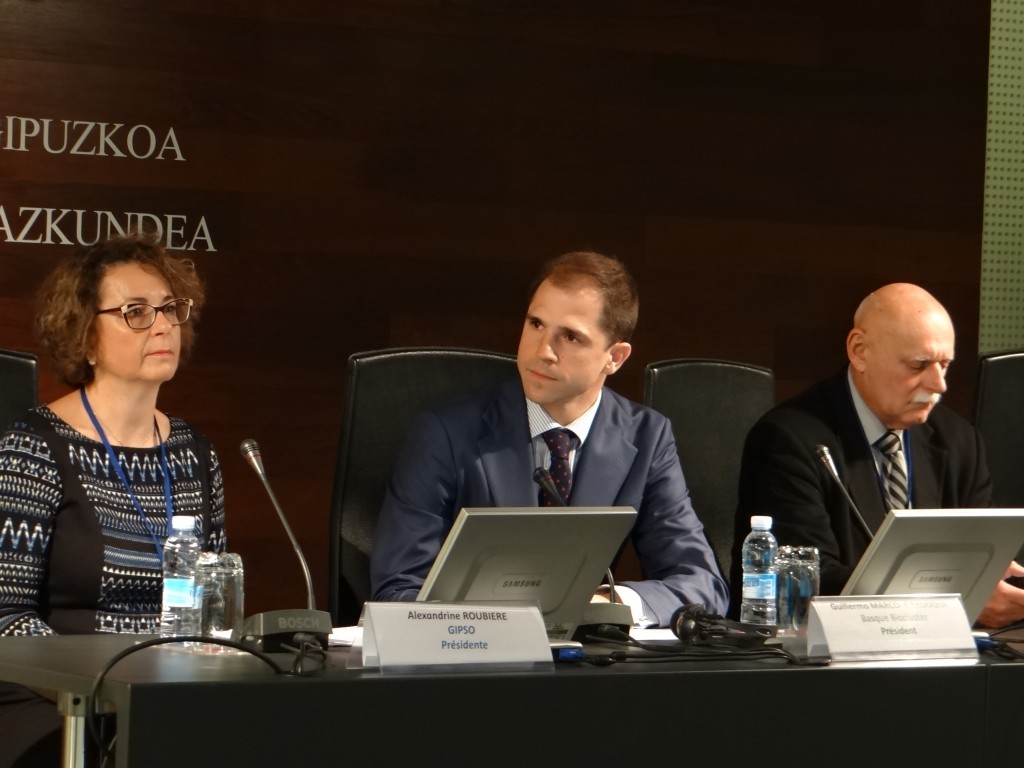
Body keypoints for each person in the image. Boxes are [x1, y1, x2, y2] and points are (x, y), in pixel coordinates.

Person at [370, 250, 728, 627]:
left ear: (616, 357)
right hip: (471, 662)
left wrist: (604, 602)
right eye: (536, 324)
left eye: (570, 337)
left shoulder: (647, 437)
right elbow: (398, 588)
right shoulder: (445, 431)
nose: (543, 352)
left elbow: (702, 586)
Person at [0, 232, 226, 765]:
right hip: (52, 699)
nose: (165, 324)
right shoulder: (35, 448)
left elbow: (213, 605)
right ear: (84, 336)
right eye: (136, 312)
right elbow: (6, 615)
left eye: (170, 308)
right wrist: (104, 689)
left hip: (167, 695)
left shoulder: (194, 453)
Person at [729, 282, 1024, 627]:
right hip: (823, 662)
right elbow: (806, 576)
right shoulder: (789, 439)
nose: (939, 384)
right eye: (918, 365)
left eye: (944, 365)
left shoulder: (958, 441)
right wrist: (956, 601)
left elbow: (982, 556)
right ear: (859, 351)